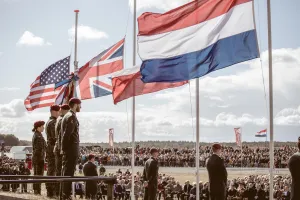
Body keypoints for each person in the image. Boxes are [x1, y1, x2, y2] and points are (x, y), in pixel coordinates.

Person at [61, 97, 81, 200]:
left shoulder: (67, 116)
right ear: (75, 104)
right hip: (71, 149)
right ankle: (66, 195)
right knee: (69, 173)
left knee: (67, 172)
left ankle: (65, 194)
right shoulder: (71, 117)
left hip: (70, 149)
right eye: (79, 105)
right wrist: (64, 149)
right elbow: (66, 135)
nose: (80, 107)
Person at [54, 104, 70, 198]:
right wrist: (62, 149)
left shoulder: (59, 119)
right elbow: (61, 136)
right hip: (60, 148)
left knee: (59, 171)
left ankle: (60, 193)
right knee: (62, 172)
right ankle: (61, 194)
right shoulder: (62, 120)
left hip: (58, 147)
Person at [45, 104, 60, 198]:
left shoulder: (48, 121)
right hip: (53, 148)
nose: (59, 113)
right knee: (53, 170)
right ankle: (52, 191)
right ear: (55, 111)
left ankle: (50, 190)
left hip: (50, 147)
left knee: (51, 169)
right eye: (58, 111)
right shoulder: (53, 122)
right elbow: (56, 137)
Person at [32, 121, 46, 195]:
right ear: (38, 127)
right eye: (42, 126)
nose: (43, 127)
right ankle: (36, 191)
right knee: (37, 175)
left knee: (39, 175)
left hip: (40, 158)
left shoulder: (39, 135)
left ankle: (38, 190)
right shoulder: (37, 136)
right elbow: (38, 149)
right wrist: (40, 159)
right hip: (38, 159)